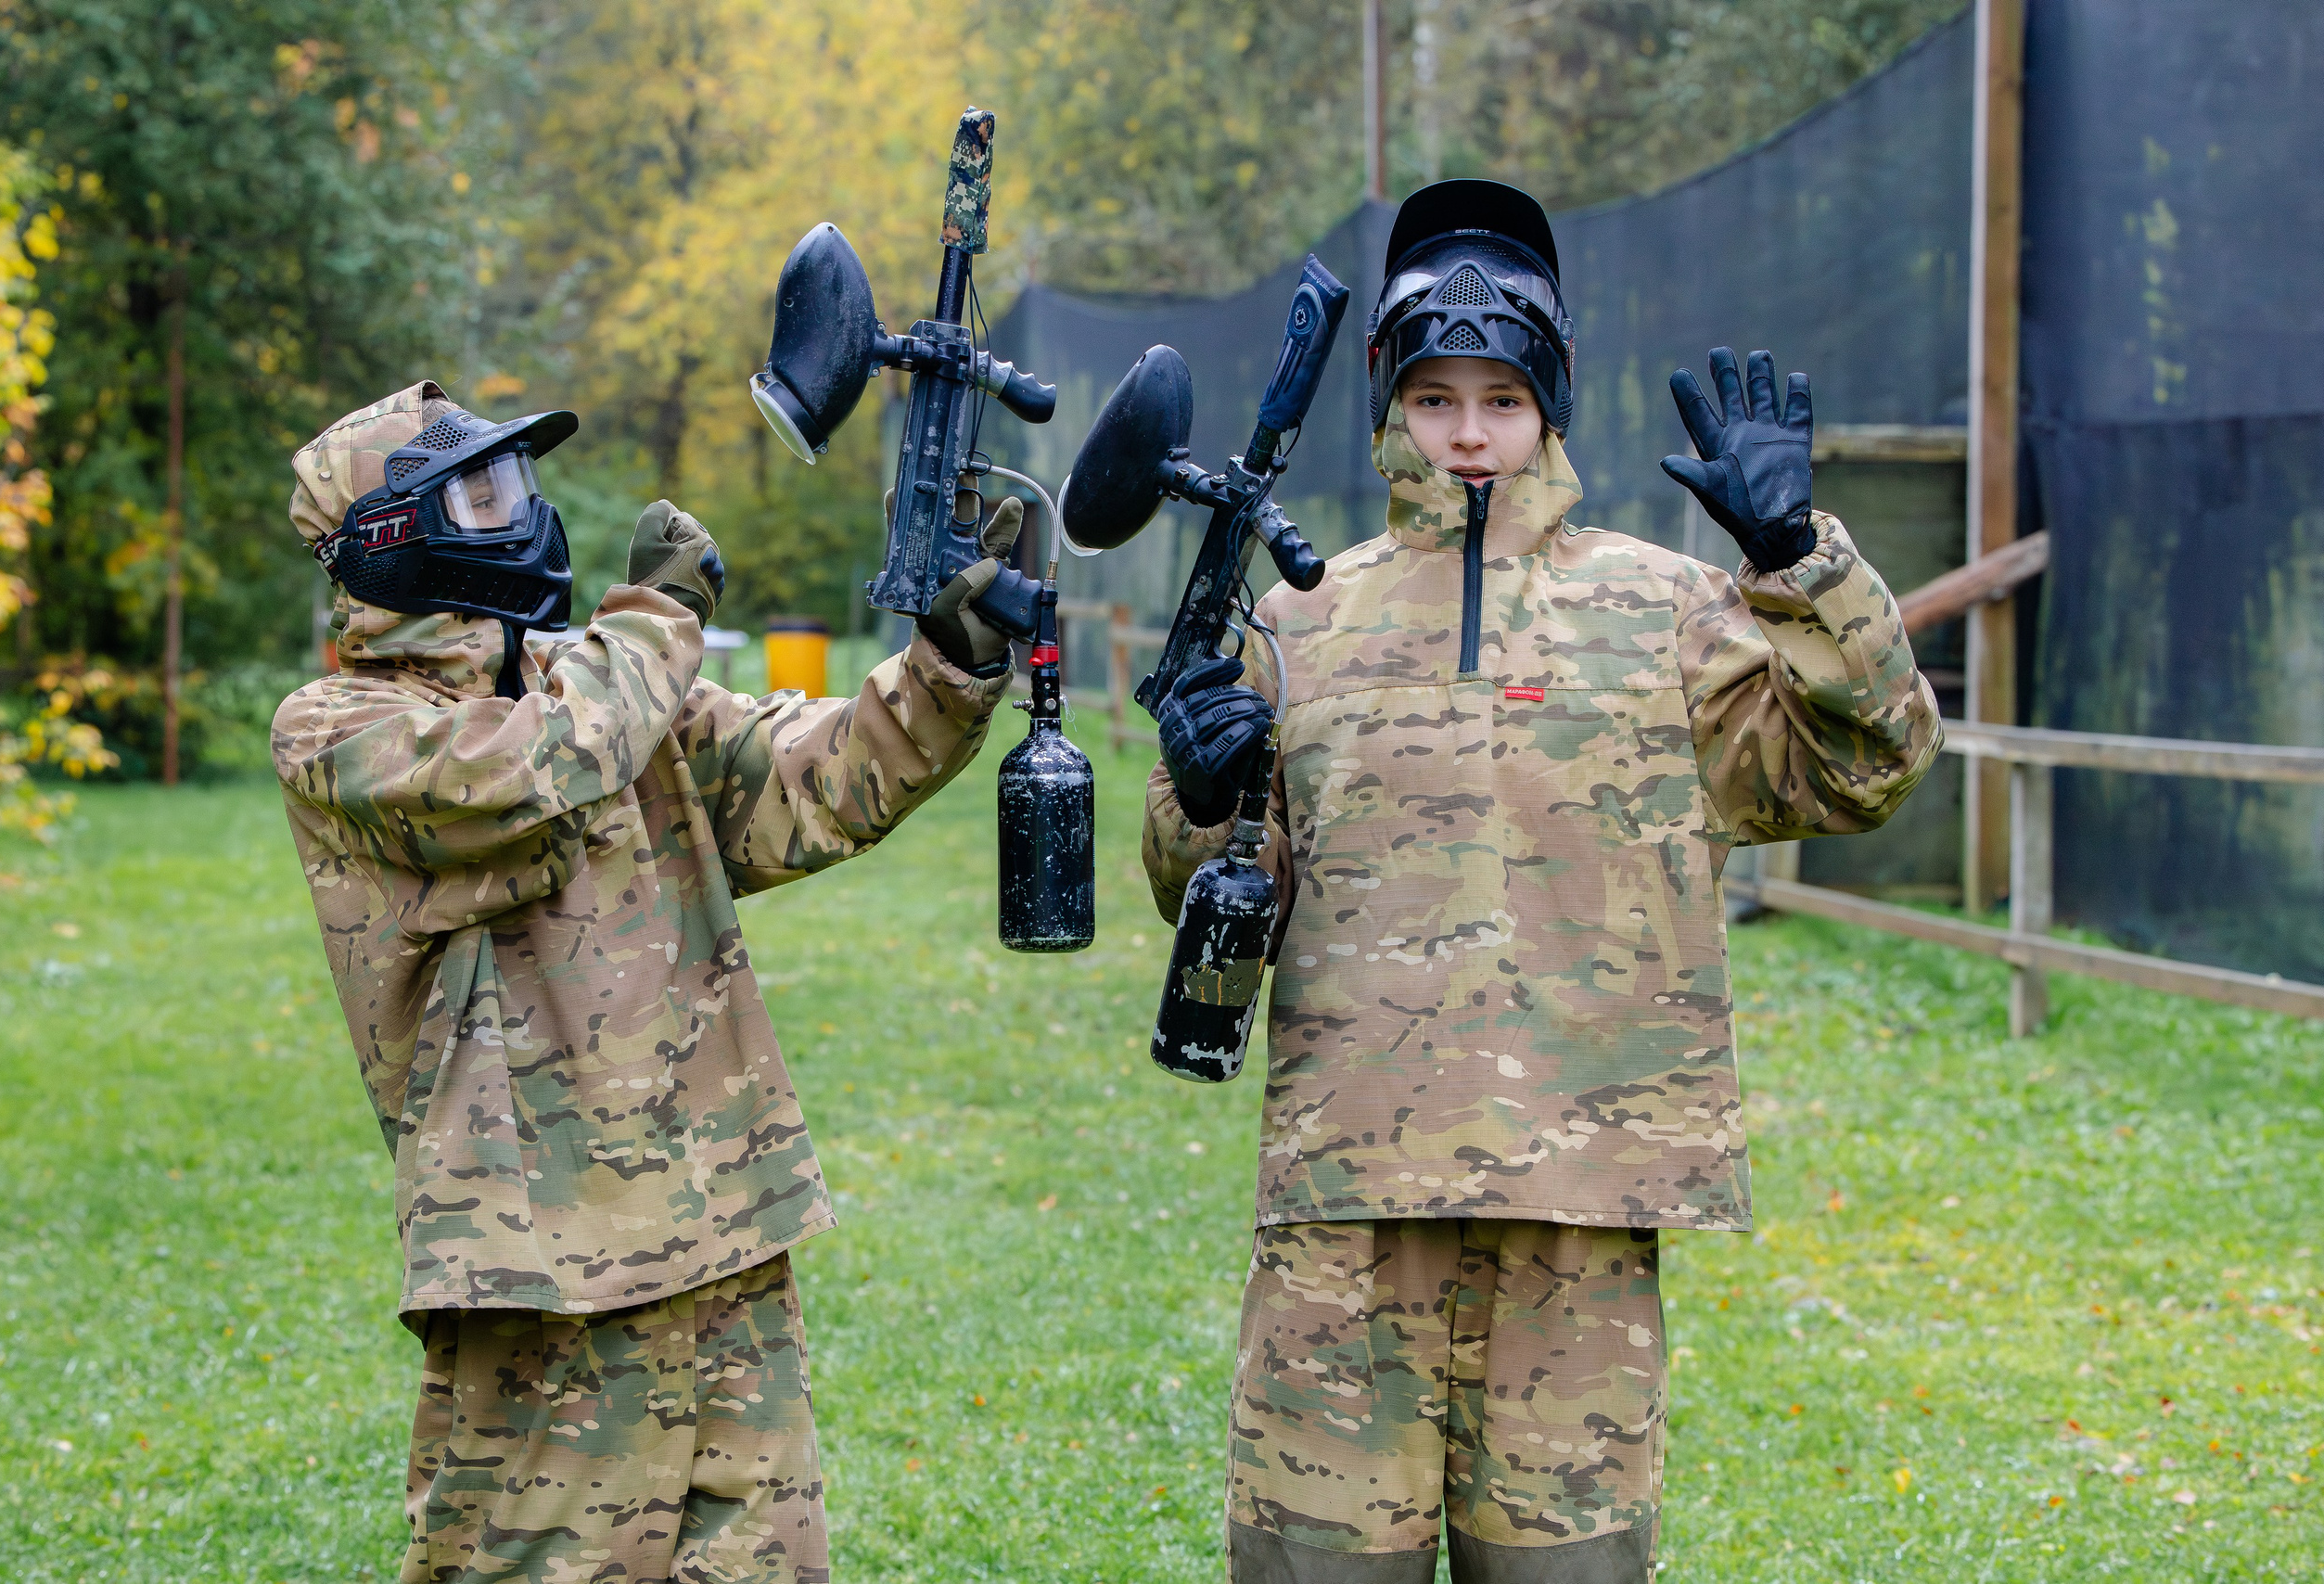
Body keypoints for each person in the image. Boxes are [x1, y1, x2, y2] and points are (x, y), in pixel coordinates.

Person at [1141, 181, 1942, 1584]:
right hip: (1350, 1213)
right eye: (1437, 396)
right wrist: (1200, 801)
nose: (1466, 432)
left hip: (1580, 1212)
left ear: (1549, 406)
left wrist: (1801, 560)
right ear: (1388, 405)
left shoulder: (1669, 609)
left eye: (1501, 398)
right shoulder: (1297, 618)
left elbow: (1864, 769)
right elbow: (1208, 891)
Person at [271, 380, 1020, 1584]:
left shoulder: (607, 677)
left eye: (516, 482)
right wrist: (658, 619)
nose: (522, 511)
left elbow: (809, 781)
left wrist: (949, 660)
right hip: (541, 1280)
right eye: (481, 491)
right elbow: (547, 770)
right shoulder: (339, 731)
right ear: (395, 533)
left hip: (724, 1236)